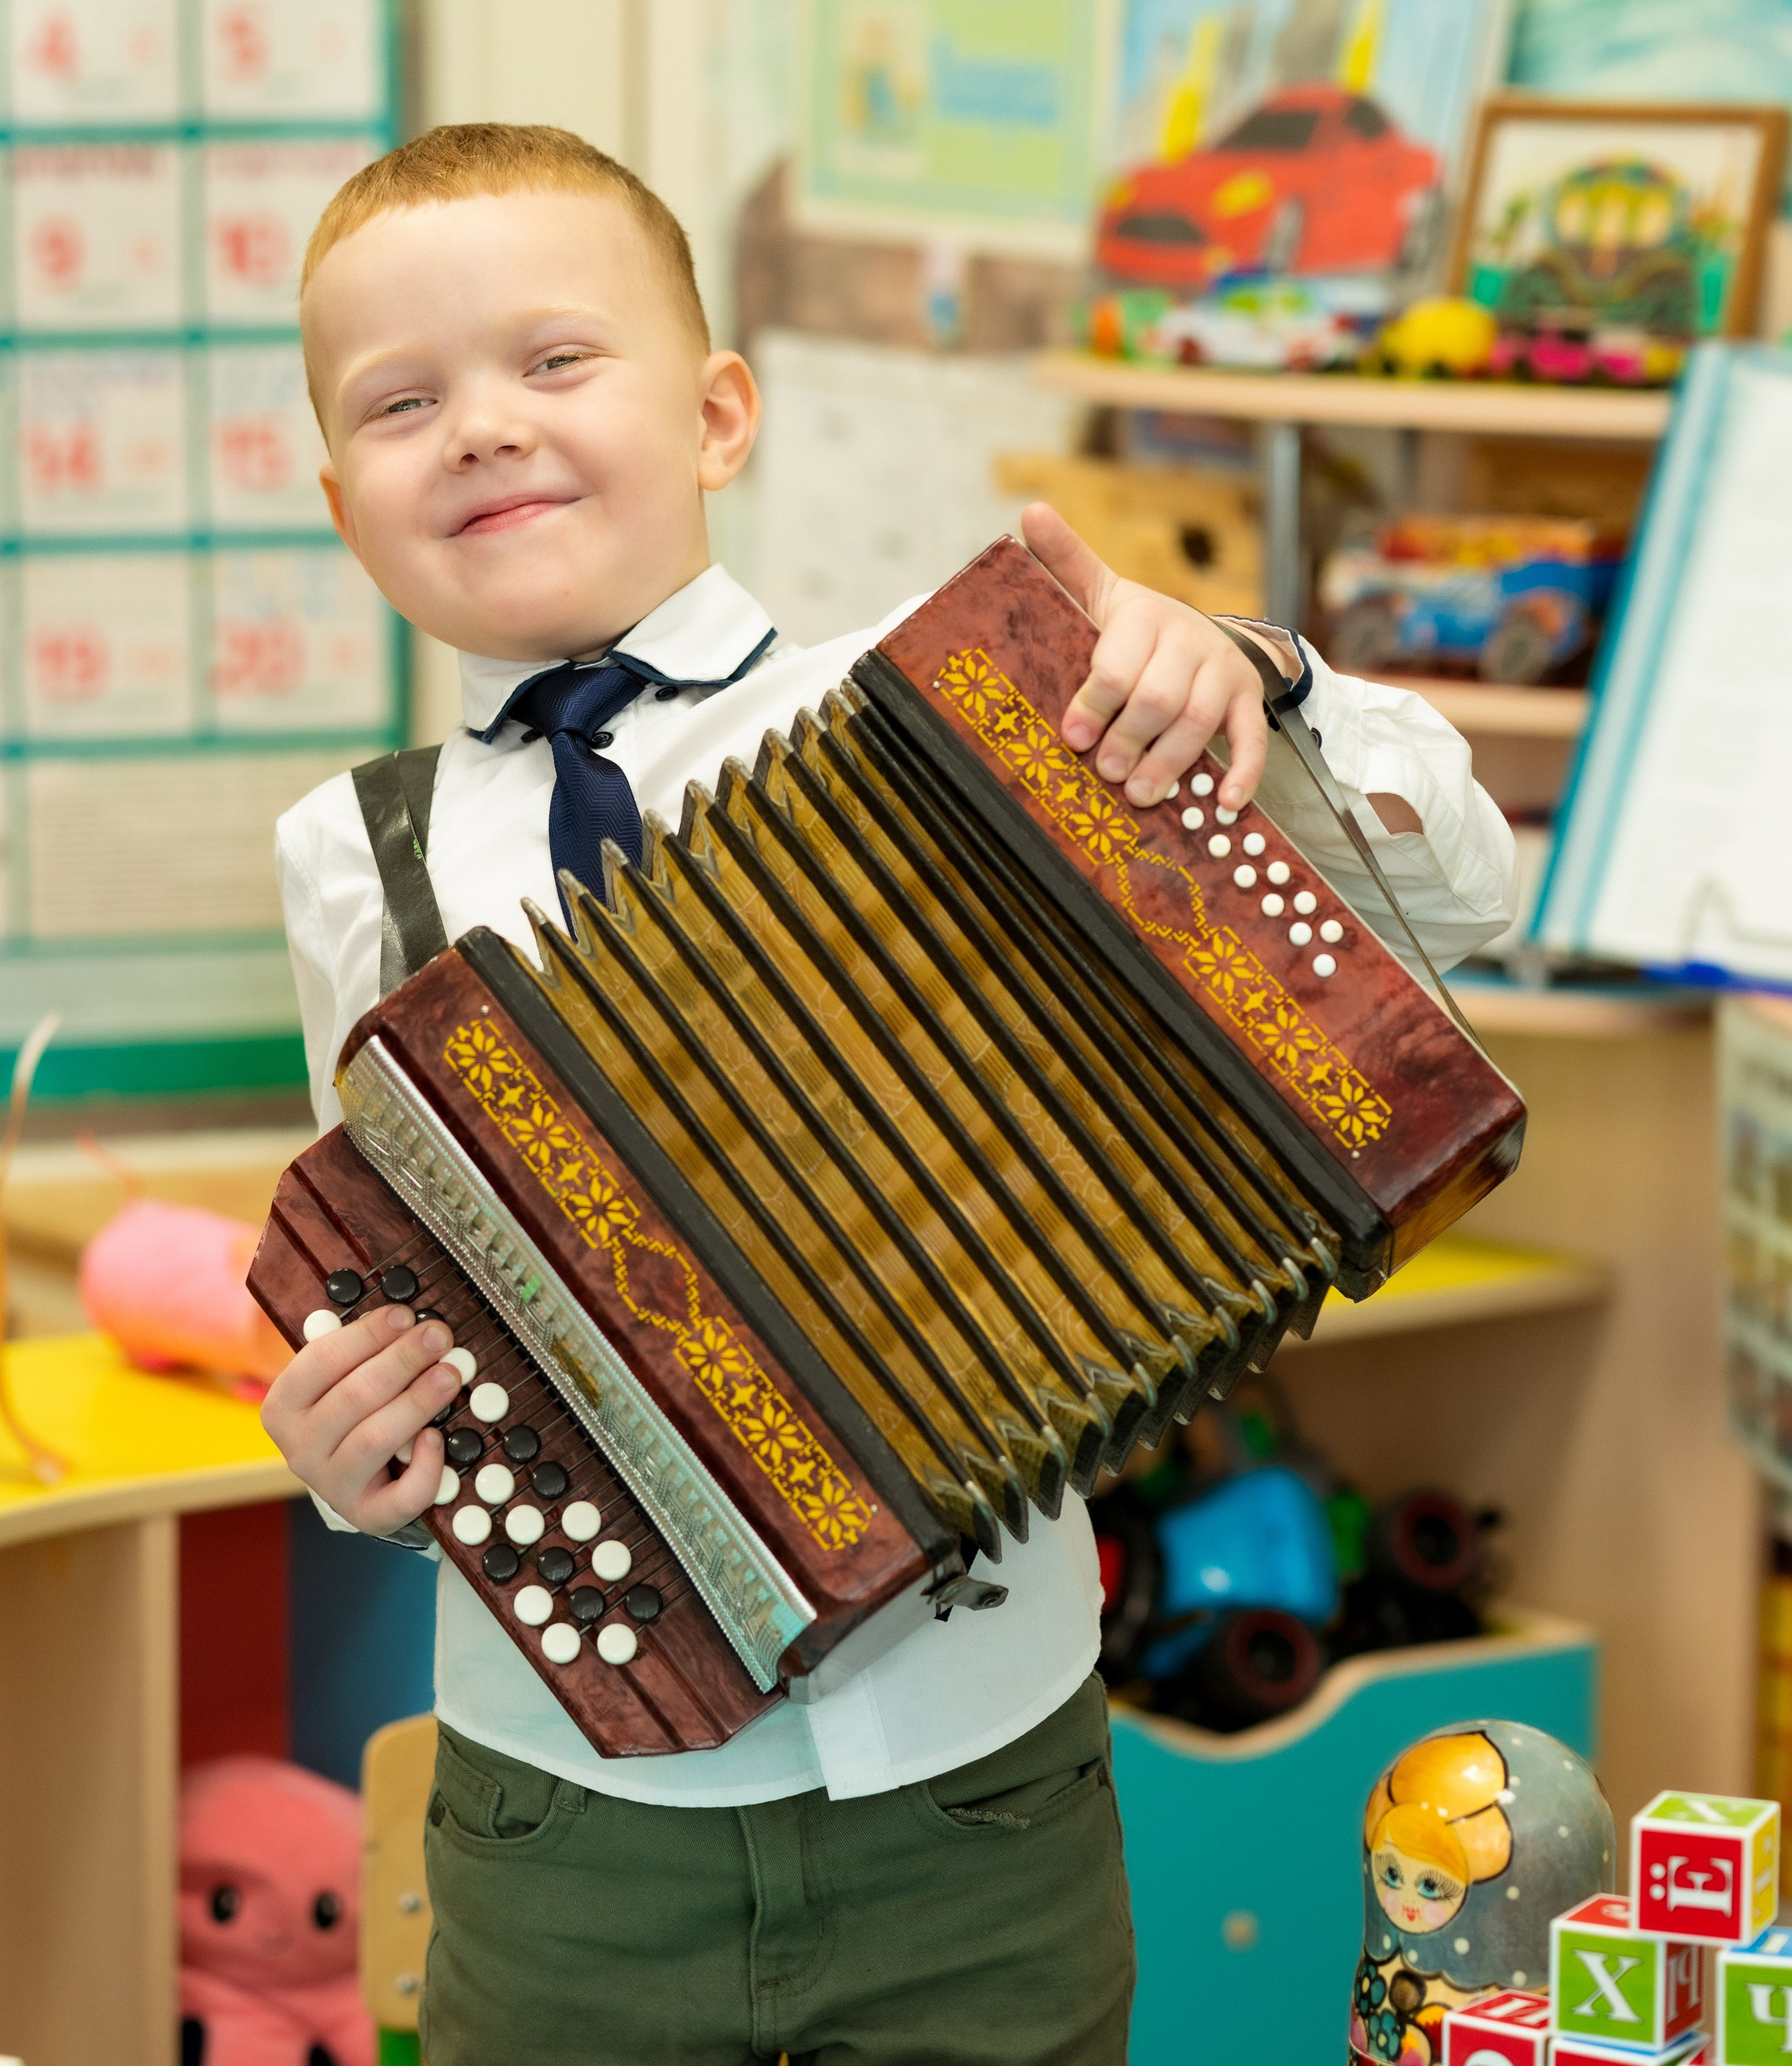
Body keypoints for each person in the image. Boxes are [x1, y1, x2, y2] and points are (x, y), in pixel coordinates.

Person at [261, 122, 1518, 2066]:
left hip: (977, 1797)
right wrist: (356, 1461)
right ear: (349, 511)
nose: (485, 428)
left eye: (555, 359)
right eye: (404, 401)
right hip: (559, 1823)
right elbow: (421, 1311)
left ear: (719, 411)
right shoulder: (348, 855)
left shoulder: (971, 702)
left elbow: (1460, 884)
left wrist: (1254, 679)